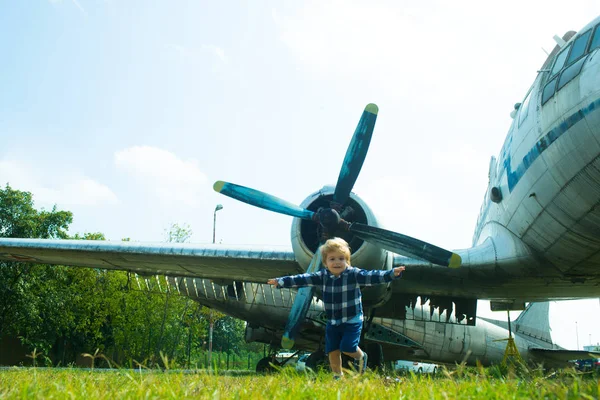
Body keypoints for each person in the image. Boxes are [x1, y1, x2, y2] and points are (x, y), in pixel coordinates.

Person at [267, 237, 406, 378]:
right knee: (332, 350)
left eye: (341, 258)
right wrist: (281, 281)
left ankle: (361, 356)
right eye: (332, 259)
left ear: (347, 261)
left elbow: (373, 276)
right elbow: (303, 278)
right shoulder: (322, 276)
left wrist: (391, 274)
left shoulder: (354, 274)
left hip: (352, 319)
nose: (337, 262)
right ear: (325, 263)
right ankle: (337, 376)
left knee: (348, 347)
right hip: (333, 321)